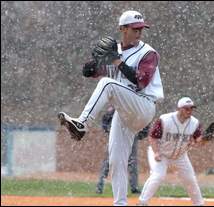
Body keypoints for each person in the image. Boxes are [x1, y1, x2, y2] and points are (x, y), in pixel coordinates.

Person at [58, 10, 164, 206]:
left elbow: (141, 81)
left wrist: (116, 61)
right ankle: (120, 203)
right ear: (122, 29)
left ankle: (83, 123)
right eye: (135, 29)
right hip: (124, 113)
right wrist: (94, 62)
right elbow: (88, 71)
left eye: (141, 29)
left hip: (144, 106)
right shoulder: (113, 50)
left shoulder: (148, 53)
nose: (139, 32)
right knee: (116, 160)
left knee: (107, 84)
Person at [138, 97, 205, 206]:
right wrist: (156, 152)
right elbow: (152, 136)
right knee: (158, 176)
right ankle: (142, 203)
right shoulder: (165, 120)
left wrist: (204, 140)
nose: (189, 111)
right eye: (186, 108)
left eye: (191, 108)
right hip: (161, 153)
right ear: (179, 109)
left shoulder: (195, 123)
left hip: (180, 156)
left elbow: (198, 141)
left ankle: (199, 204)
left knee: (190, 179)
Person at [96, 107, 149, 194]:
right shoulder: (116, 108)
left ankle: (134, 187)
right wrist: (110, 131)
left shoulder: (137, 108)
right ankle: (100, 186)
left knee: (132, 163)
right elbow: (105, 121)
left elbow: (146, 125)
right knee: (109, 161)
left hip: (131, 136)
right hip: (116, 136)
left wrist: (140, 134)